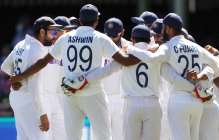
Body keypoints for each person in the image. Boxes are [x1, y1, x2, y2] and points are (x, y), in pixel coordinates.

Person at [9, 4, 141, 140]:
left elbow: (42, 62)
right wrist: (143, 52)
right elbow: (125, 61)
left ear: (80, 19)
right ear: (96, 21)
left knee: (72, 137)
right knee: (103, 136)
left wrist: (20, 76)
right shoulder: (101, 38)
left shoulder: (65, 38)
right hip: (93, 93)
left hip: (70, 94)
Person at [126, 13, 219, 140]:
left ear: (169, 28)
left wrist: (131, 49)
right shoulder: (196, 47)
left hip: (179, 99)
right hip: (196, 101)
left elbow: (151, 58)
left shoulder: (168, 47)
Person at [1, 16, 61, 140]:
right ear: (42, 32)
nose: (54, 36)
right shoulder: (38, 50)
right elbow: (35, 88)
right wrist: (43, 115)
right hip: (30, 102)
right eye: (52, 32)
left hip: (16, 98)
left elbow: (4, 66)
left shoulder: (20, 44)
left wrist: (16, 78)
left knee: (23, 137)